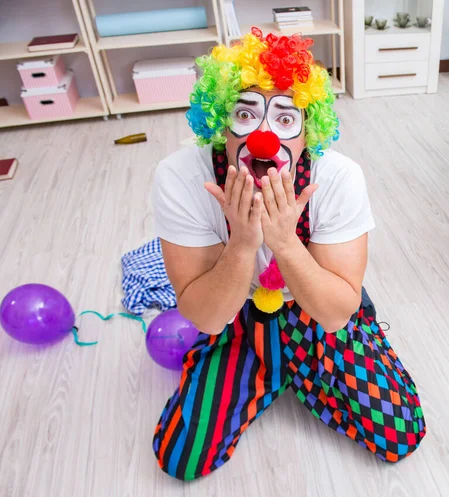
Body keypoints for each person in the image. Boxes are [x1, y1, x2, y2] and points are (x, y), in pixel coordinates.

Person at [151, 28, 425, 481]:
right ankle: (272, 372)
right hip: (236, 313)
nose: (263, 138)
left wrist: (284, 242)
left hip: (314, 306)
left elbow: (337, 311)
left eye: (284, 120)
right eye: (245, 114)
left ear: (307, 132)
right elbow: (206, 317)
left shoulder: (337, 177)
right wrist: (242, 243)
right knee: (180, 458)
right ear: (220, 126)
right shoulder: (181, 177)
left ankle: (294, 374)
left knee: (401, 435)